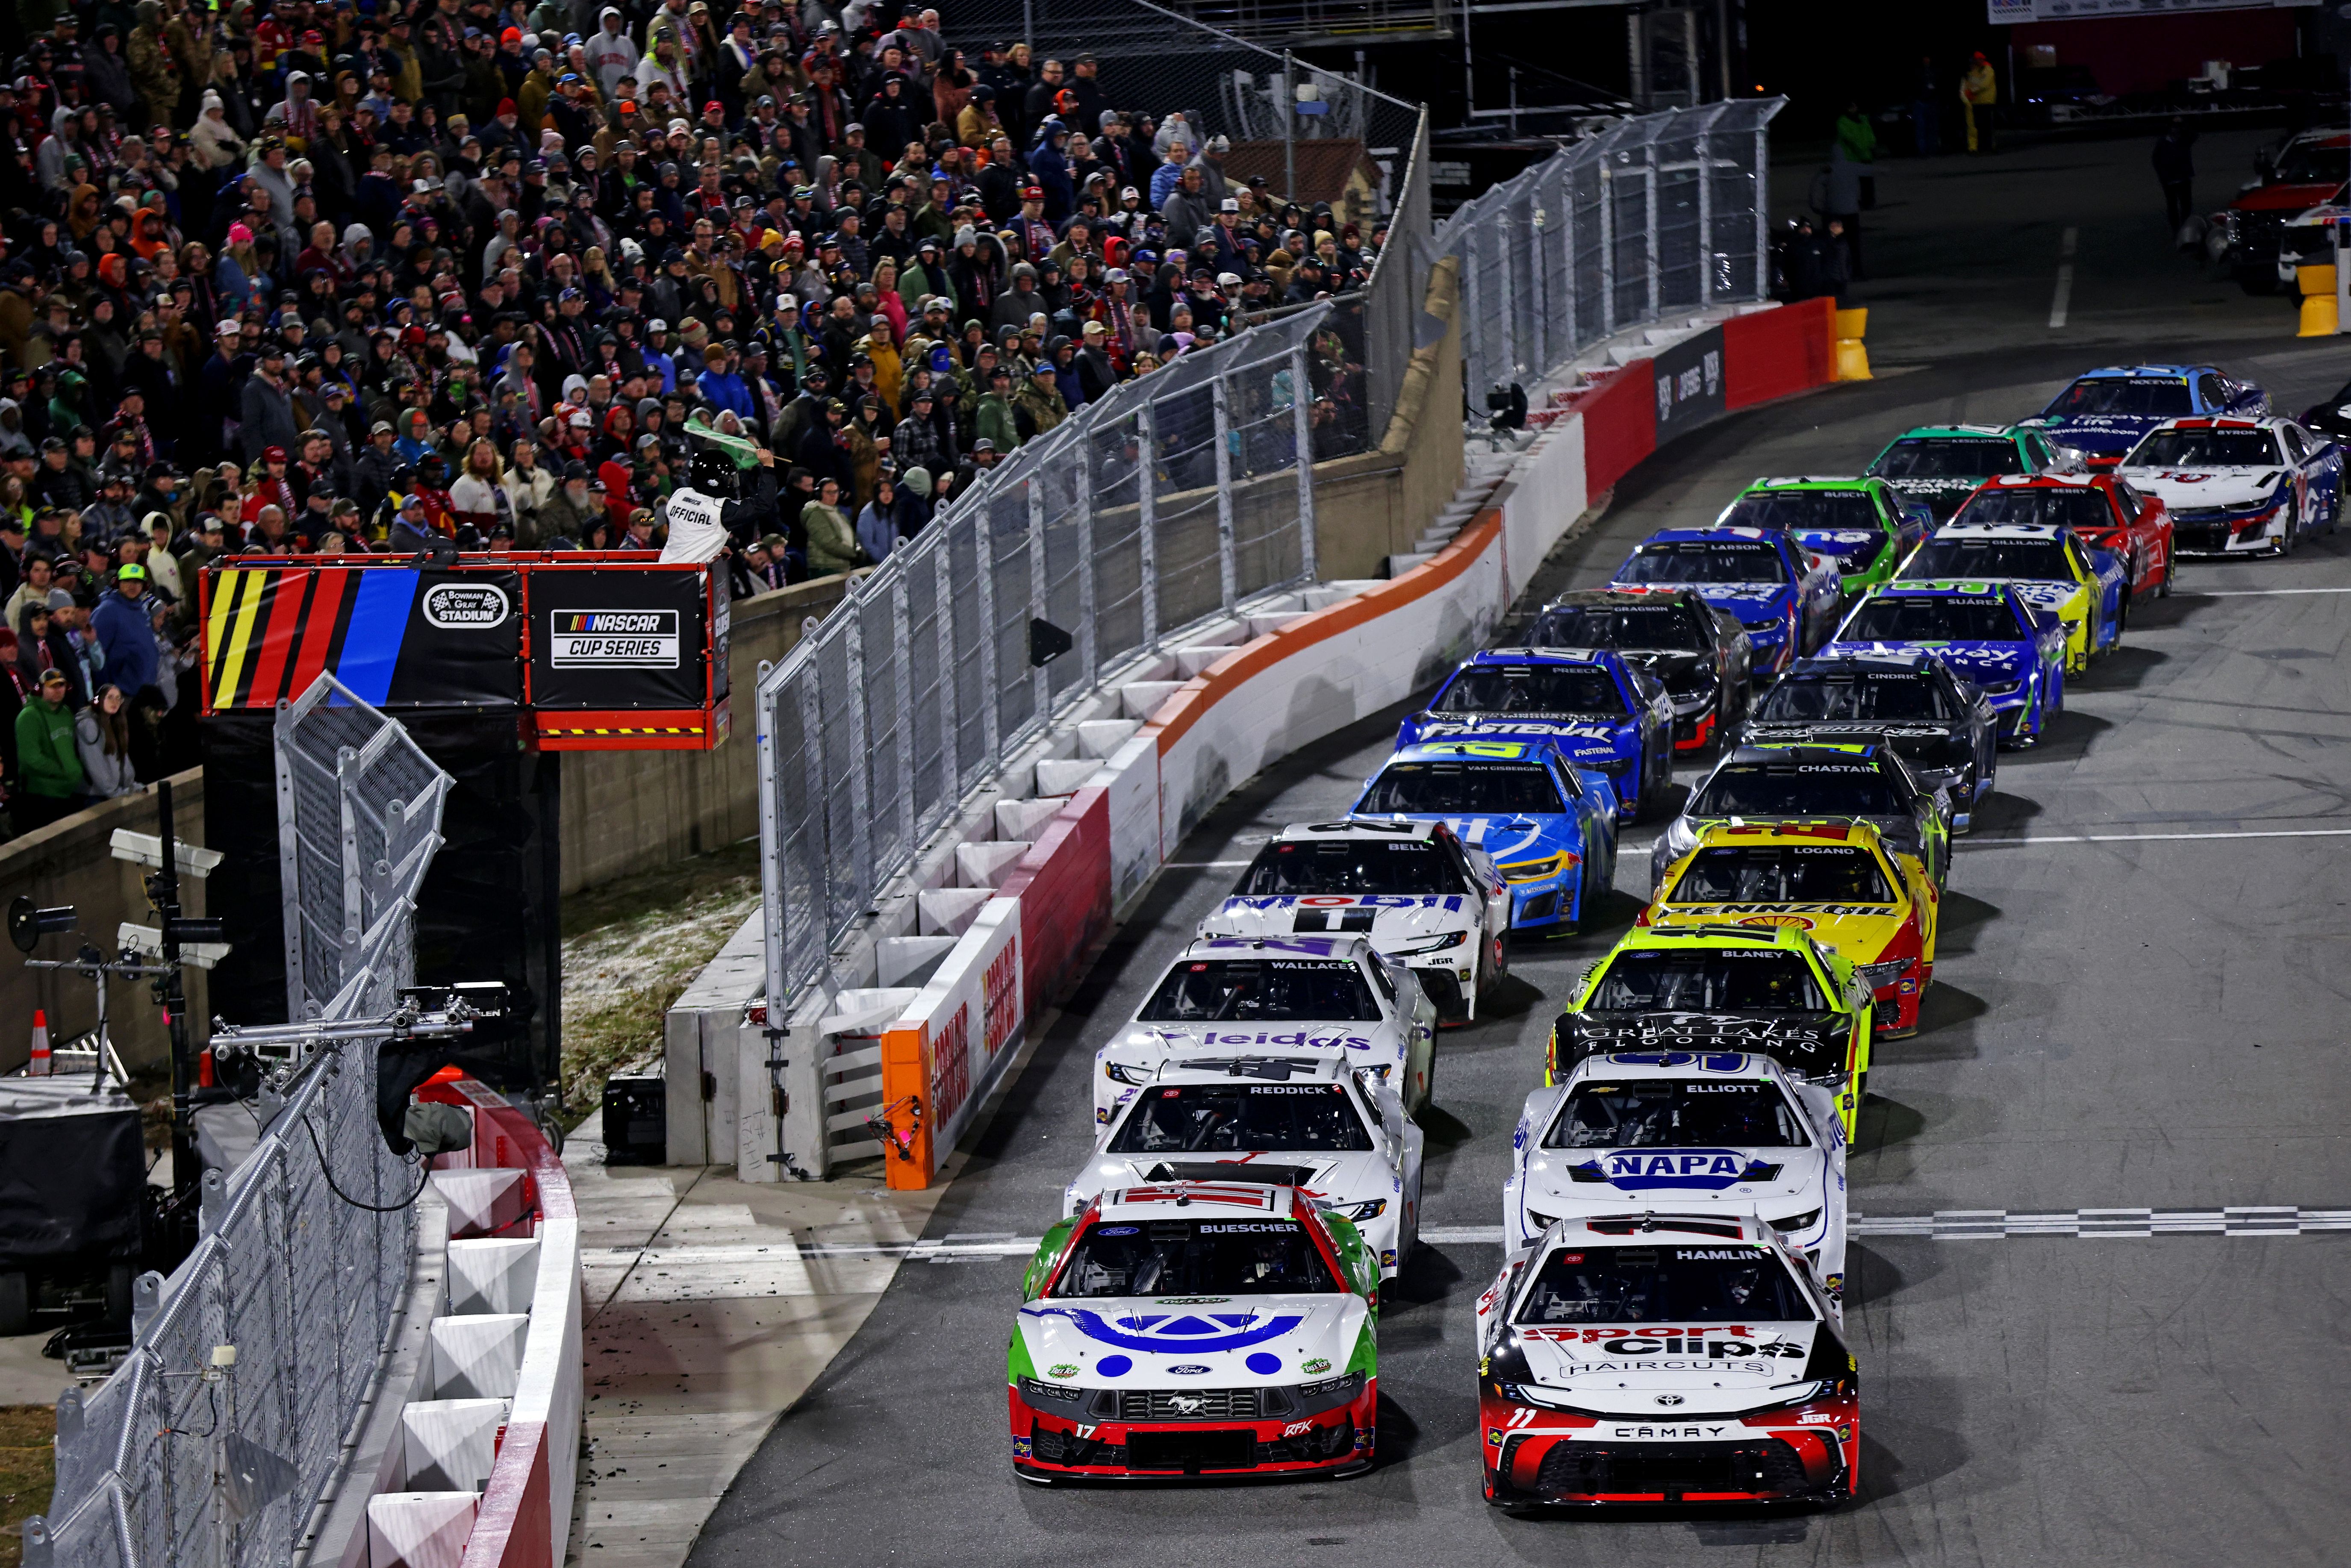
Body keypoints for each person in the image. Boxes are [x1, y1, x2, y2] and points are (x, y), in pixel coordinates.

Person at [13, 668, 85, 832]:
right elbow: (29, 759)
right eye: (53, 686)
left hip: (68, 793)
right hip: (42, 797)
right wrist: (60, 771)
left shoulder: (66, 714)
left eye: (61, 686)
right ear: (41, 689)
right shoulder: (29, 717)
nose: (58, 690)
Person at [76, 683, 141, 800]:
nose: (115, 702)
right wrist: (113, 792)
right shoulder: (88, 726)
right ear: (99, 700)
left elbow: (123, 758)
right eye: (110, 697)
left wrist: (130, 784)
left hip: (113, 793)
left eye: (118, 698)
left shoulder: (115, 723)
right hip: (96, 796)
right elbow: (95, 765)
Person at [2154, 118, 2197, 238]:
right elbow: (2156, 161)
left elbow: (2194, 135)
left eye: (2178, 127)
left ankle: (2185, 228)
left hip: (2183, 178)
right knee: (2173, 206)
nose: (2176, 129)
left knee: (2186, 205)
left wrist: (2185, 125)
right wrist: (2163, 176)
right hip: (2169, 180)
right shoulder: (2162, 143)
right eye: (2174, 127)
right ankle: (2176, 230)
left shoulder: (2185, 140)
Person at [1961, 52, 1998, 155]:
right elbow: (1964, 90)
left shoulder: (1987, 70)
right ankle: (1980, 148)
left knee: (1987, 127)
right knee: (1978, 127)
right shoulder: (1974, 72)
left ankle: (1989, 147)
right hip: (1976, 103)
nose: (1975, 63)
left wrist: (1972, 91)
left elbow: (1983, 85)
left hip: (1986, 102)